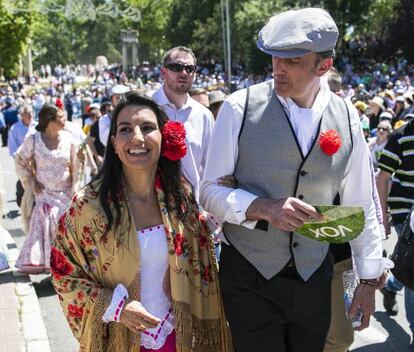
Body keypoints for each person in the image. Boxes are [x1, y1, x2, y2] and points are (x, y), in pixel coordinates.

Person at [200, 8, 390, 352]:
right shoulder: (238, 107)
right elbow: (209, 191)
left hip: (313, 274)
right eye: (275, 58)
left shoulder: (346, 115)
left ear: (323, 67)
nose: (278, 68)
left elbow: (360, 204)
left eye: (293, 61)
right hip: (249, 273)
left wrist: (366, 280)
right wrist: (261, 207)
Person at [51, 92, 232, 352]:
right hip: (119, 338)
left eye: (147, 128)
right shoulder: (87, 207)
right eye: (126, 129)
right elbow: (63, 273)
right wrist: (117, 307)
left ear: (163, 137)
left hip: (177, 335)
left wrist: (230, 196)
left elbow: (202, 246)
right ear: (113, 142)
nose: (137, 137)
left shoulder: (179, 197)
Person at [14, 104, 82, 273]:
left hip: (65, 194)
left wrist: (81, 161)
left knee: (64, 228)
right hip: (44, 194)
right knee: (46, 220)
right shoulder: (34, 139)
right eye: (60, 117)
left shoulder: (69, 139)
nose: (64, 119)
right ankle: (50, 266)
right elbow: (20, 159)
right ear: (50, 121)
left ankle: (66, 267)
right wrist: (30, 181)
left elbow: (77, 164)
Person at [152, 46, 215, 202]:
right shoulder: (145, 109)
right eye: (176, 67)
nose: (183, 73)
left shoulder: (204, 116)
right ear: (163, 72)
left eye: (189, 68)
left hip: (193, 210)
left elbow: (211, 169)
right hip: (150, 207)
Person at [376, 118, 414, 350]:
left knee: (410, 268)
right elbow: (382, 178)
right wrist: (383, 217)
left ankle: (391, 286)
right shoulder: (399, 137)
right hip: (405, 211)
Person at [7, 104, 37, 207]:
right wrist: (21, 160)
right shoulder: (15, 129)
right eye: (27, 113)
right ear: (21, 115)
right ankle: (22, 202)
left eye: (31, 112)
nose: (30, 115)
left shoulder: (37, 126)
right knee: (24, 184)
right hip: (23, 163)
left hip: (37, 162)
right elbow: (12, 148)